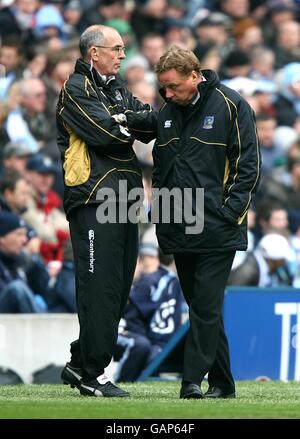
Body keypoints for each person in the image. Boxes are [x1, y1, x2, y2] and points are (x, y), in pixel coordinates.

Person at [151, 46, 261, 399]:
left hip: (217, 227)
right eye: (163, 88)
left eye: (173, 87)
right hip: (178, 226)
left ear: (194, 76)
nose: (167, 94)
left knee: (206, 305)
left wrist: (230, 213)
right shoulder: (167, 112)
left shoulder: (231, 104)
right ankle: (224, 384)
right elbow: (161, 168)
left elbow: (248, 165)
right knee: (203, 308)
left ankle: (191, 381)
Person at [56, 25, 156, 398]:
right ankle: (92, 375)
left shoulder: (114, 88)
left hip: (126, 200)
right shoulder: (76, 89)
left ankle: (81, 362)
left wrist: (124, 120)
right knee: (99, 286)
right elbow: (106, 134)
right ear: (93, 52)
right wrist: (124, 122)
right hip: (95, 199)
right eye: (116, 48)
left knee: (116, 290)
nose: (123, 55)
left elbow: (147, 122)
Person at [114, 240, 183, 382]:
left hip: (155, 340)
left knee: (142, 346)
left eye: (150, 258)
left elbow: (135, 313)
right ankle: (121, 381)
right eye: (144, 258)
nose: (147, 262)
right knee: (140, 345)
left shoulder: (155, 281)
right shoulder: (164, 279)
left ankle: (124, 381)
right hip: (130, 334)